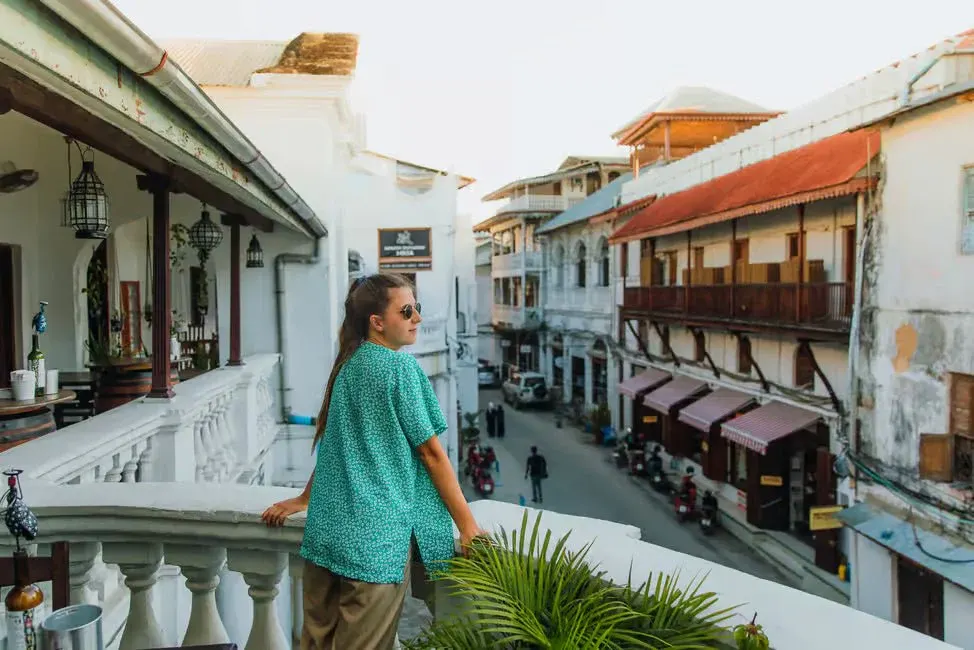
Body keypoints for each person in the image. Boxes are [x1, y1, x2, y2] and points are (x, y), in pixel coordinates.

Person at [261, 273, 483, 650]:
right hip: (373, 544)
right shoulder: (401, 370)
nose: (417, 318)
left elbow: (337, 445)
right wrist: (467, 526)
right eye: (407, 311)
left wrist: (305, 498)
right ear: (377, 322)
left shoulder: (348, 367)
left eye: (417, 309)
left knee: (315, 642)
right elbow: (431, 454)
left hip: (327, 534)